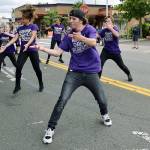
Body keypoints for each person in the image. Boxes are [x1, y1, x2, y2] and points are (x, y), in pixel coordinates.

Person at [31, 9, 112, 144]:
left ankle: (104, 114)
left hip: (91, 72)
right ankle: (50, 128)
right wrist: (42, 49)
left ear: (81, 20)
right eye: (70, 18)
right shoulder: (69, 35)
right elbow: (58, 52)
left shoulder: (89, 29)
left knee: (102, 99)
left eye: (73, 18)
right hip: (74, 72)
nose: (71, 21)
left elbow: (93, 42)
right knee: (62, 99)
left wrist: (80, 38)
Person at [0, 5, 44, 94]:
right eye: (22, 18)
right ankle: (17, 85)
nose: (22, 20)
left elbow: (33, 36)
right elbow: (15, 38)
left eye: (24, 18)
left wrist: (28, 43)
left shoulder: (33, 26)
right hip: (23, 51)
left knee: (36, 69)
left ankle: (41, 83)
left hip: (32, 50)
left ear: (29, 19)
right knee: (18, 67)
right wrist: (6, 45)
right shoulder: (20, 28)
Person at [98, 16, 133, 82]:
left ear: (112, 22)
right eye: (106, 21)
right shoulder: (104, 30)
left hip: (115, 51)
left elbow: (117, 35)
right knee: (100, 64)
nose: (107, 22)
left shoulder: (115, 28)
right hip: (106, 50)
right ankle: (97, 79)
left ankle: (128, 74)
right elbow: (97, 35)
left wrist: (111, 28)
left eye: (108, 21)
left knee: (121, 65)